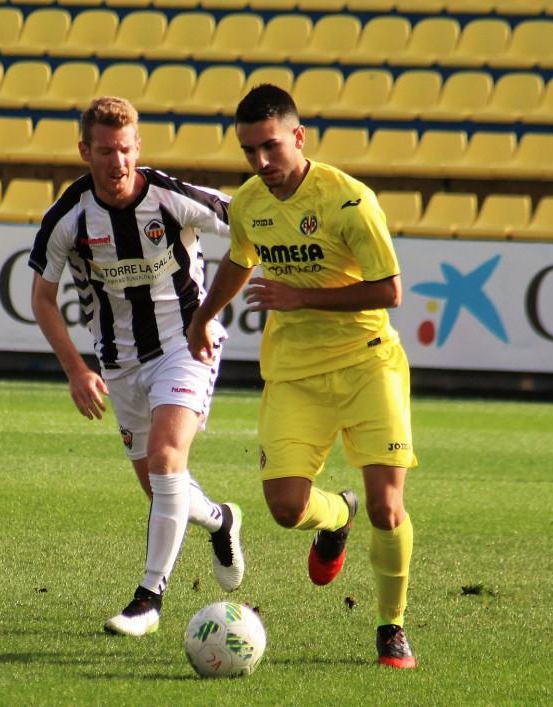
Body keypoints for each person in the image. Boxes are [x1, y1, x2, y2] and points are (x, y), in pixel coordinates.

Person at [187, 84, 419, 668]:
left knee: (388, 507)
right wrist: (203, 316)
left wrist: (301, 297)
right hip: (294, 373)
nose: (261, 161)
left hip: (368, 364)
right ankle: (337, 516)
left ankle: (391, 626)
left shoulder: (350, 201)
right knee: (287, 507)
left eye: (270, 146)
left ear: (298, 136)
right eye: (249, 151)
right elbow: (239, 260)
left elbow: (389, 291)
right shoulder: (248, 203)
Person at [28, 96, 244, 638]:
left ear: (138, 147)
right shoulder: (68, 217)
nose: (118, 162)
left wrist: (211, 312)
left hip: (185, 345)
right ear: (85, 151)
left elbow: (250, 221)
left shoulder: (171, 197)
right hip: (120, 363)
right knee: (161, 488)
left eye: (126, 149)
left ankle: (148, 600)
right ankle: (221, 519)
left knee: (168, 459)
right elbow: (43, 299)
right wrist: (77, 370)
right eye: (106, 151)